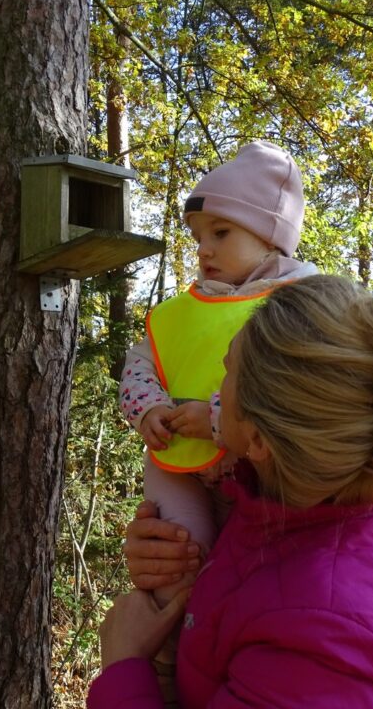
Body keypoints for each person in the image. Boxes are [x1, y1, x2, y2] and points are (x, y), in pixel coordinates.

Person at [91, 275, 373, 708]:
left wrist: (124, 665)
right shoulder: (353, 478)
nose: (213, 388)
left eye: (226, 372)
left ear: (258, 440)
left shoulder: (325, 647)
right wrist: (182, 558)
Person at [119, 141, 318, 606]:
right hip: (179, 464)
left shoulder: (305, 302)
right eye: (198, 238)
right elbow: (140, 363)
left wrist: (218, 418)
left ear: (269, 235)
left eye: (221, 232)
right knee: (176, 559)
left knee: (260, 576)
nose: (204, 249)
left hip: (265, 471)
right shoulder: (181, 312)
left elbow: (296, 387)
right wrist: (148, 408)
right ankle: (176, 623)